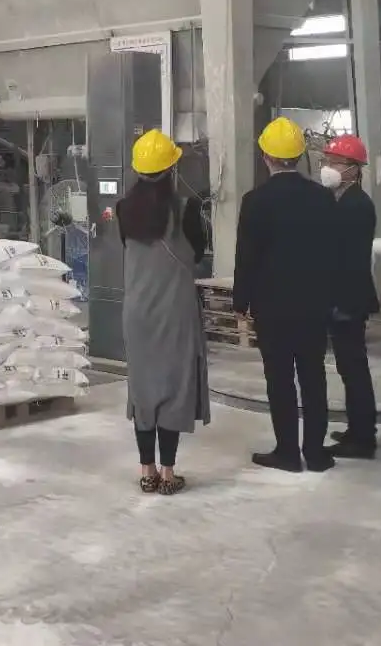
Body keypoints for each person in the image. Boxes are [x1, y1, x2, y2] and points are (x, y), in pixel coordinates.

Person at [233, 117, 339, 473]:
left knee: (279, 380)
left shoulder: (255, 201)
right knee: (313, 378)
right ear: (300, 156)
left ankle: (288, 453)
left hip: (272, 307)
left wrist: (240, 302)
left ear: (265, 156)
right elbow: (334, 254)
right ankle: (316, 454)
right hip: (314, 305)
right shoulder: (322, 198)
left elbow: (247, 257)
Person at [117, 130, 210, 495]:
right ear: (172, 168)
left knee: (142, 388)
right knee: (174, 386)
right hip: (175, 312)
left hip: (137, 312)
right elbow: (198, 253)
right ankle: (169, 474)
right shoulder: (187, 209)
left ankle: (146, 470)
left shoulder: (123, 210)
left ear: (137, 170)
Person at [319, 134, 381, 459]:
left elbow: (348, 260)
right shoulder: (340, 199)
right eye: (327, 160)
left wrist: (338, 302)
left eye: (336, 162)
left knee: (354, 369)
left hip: (348, 299)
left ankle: (363, 438)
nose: (329, 167)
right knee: (348, 368)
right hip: (343, 297)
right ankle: (357, 429)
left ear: (354, 169)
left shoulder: (357, 205)